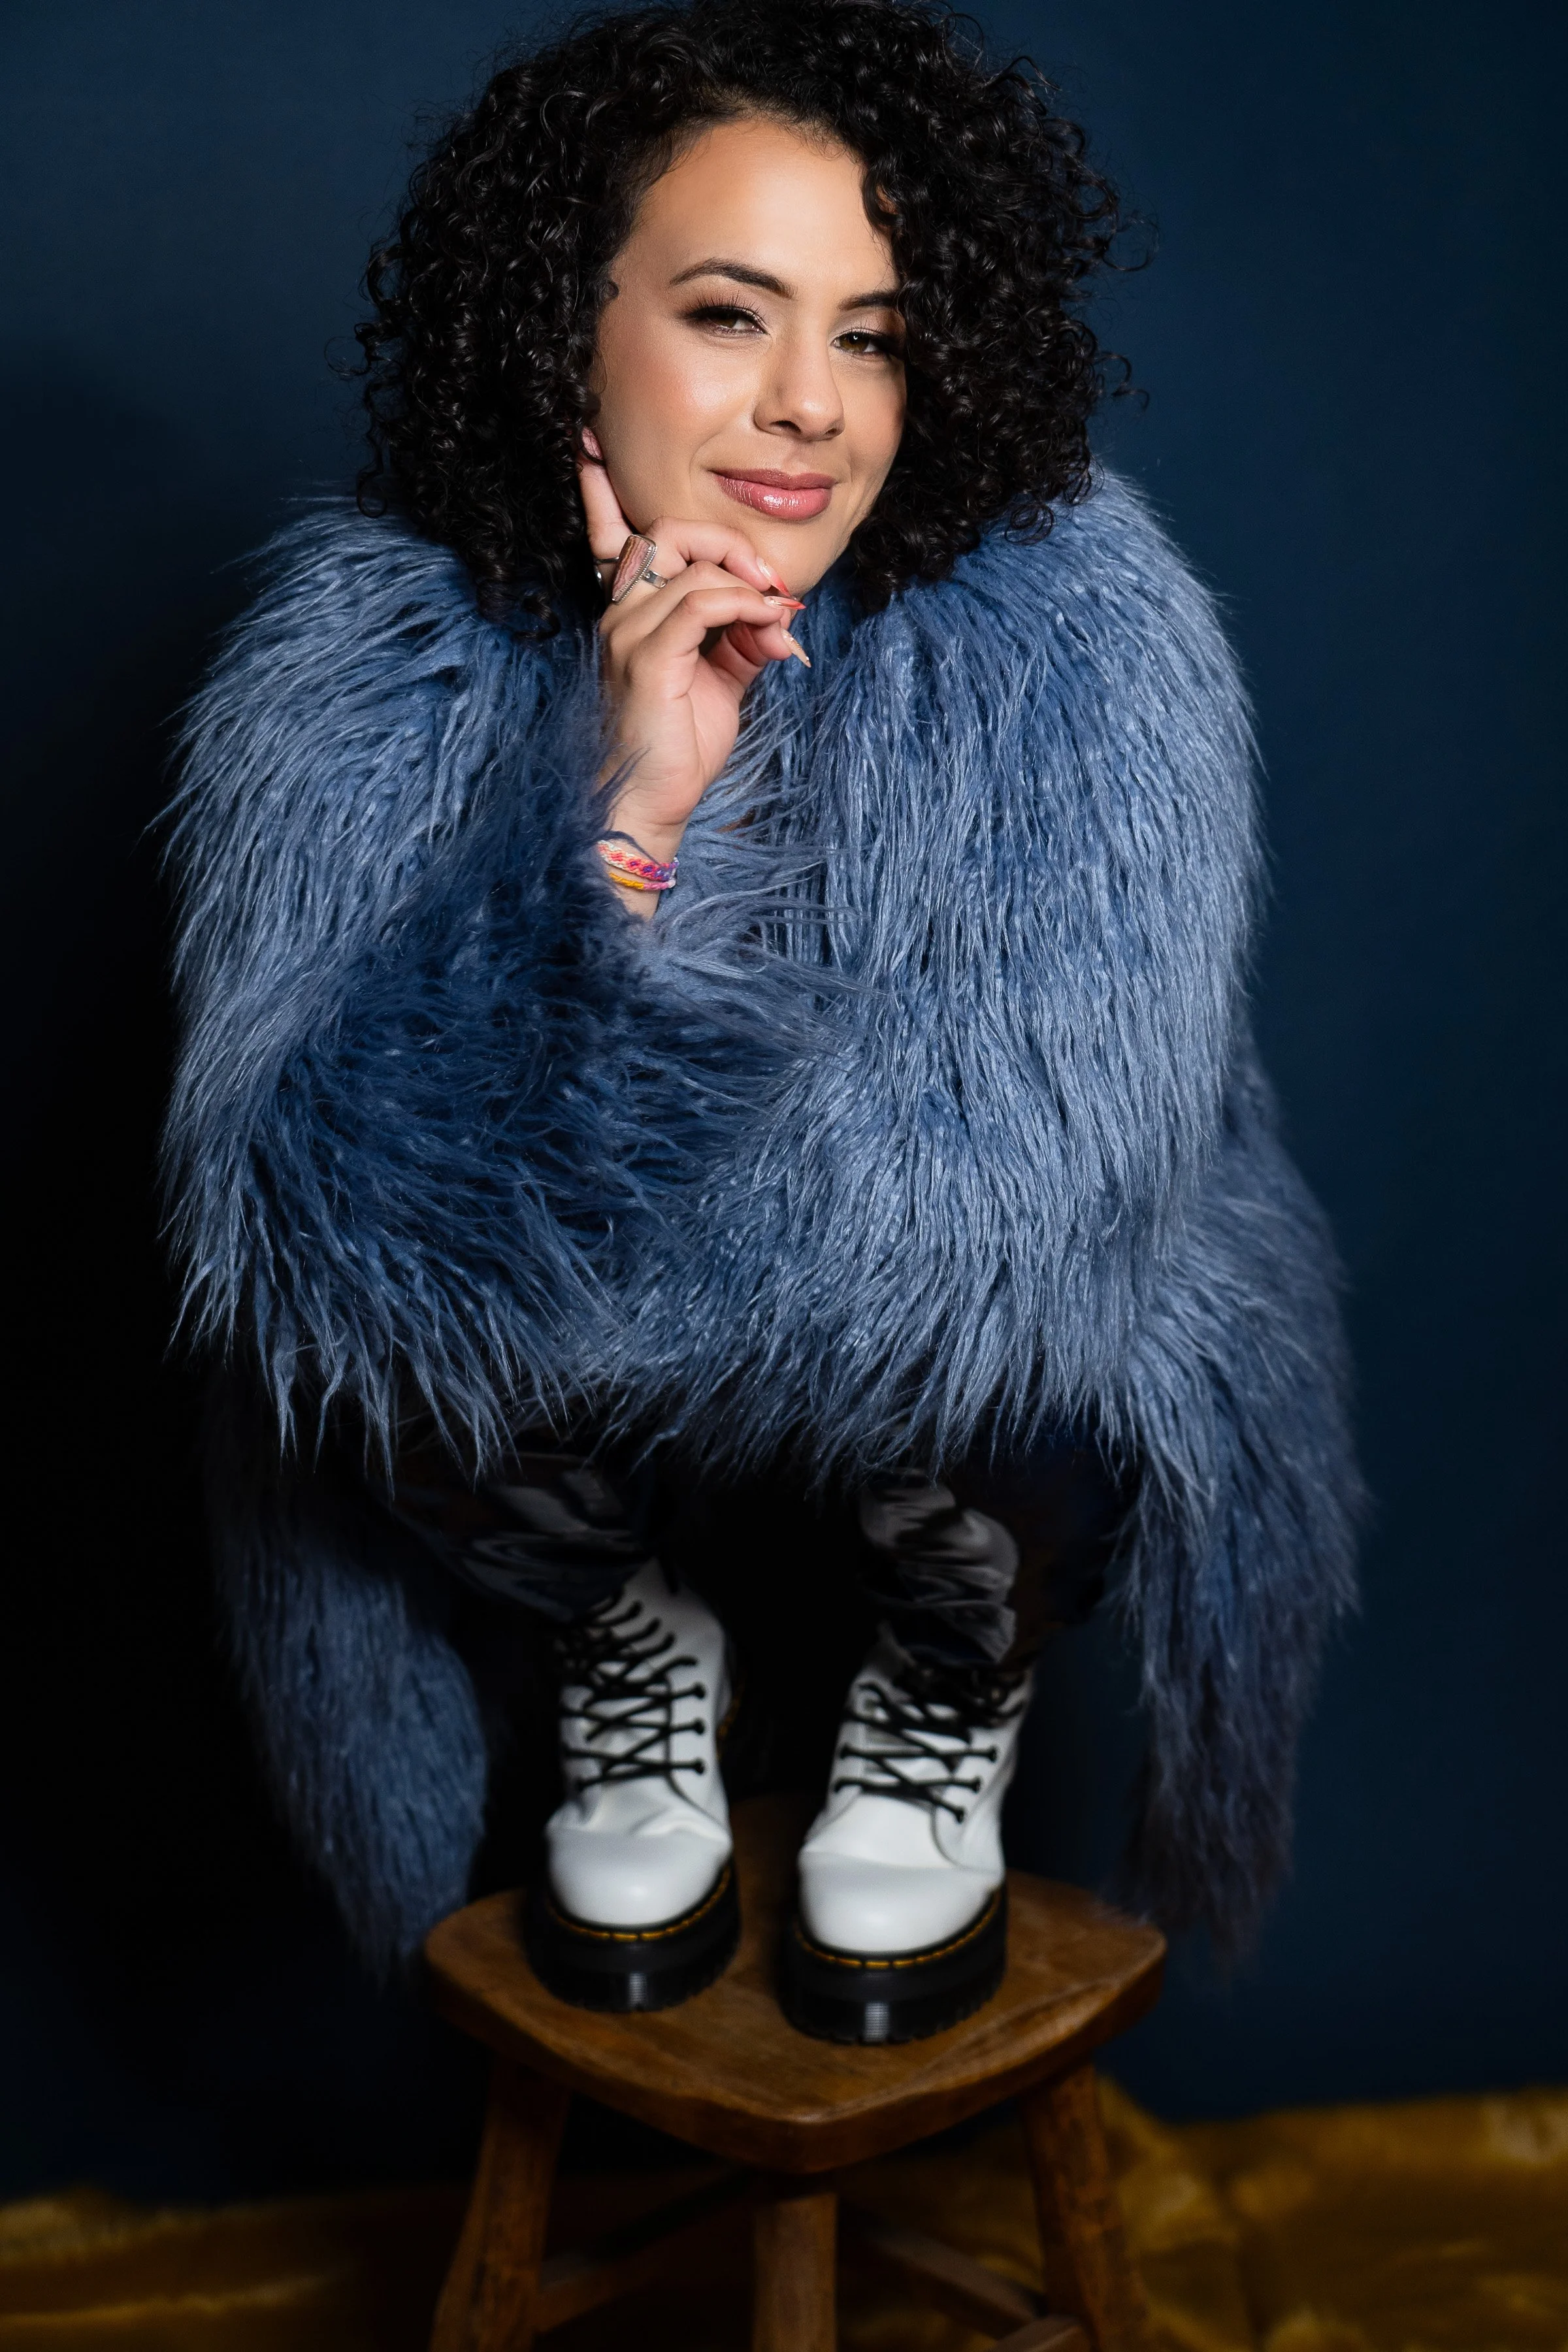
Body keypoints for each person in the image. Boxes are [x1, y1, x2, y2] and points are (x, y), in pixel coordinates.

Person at [165, 0, 1359, 2043]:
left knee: (1045, 1383)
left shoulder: (1079, 639)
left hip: (1000, 1308)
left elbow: (1014, 1206)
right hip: (660, 1306)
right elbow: (325, 1238)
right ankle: (624, 1636)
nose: (811, 407)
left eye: (872, 336)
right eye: (731, 314)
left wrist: (657, 1210)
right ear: (569, 328)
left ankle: (951, 1675)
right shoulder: (364, 670)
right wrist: (630, 811)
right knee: (392, 1357)